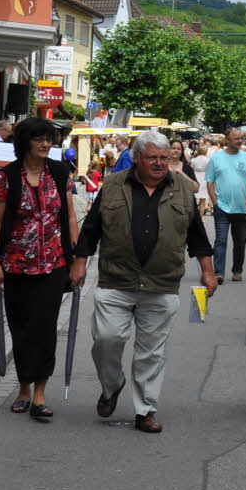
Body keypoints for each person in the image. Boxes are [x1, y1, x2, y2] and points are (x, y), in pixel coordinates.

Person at [70, 130, 216, 434]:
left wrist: (207, 269)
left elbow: (197, 234)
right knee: (106, 340)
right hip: (116, 279)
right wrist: (80, 262)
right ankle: (112, 385)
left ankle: (146, 410)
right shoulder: (112, 186)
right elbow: (91, 229)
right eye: (152, 157)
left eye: (164, 157)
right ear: (136, 158)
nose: (160, 163)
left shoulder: (183, 189)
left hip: (161, 283)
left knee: (151, 351)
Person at [0, 118, 79, 419]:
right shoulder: (7, 177)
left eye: (49, 139)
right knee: (21, 329)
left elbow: (70, 216)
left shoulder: (59, 173)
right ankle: (23, 388)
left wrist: (78, 257)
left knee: (45, 328)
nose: (46, 144)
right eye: (39, 139)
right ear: (25, 142)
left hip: (53, 264)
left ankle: (40, 393)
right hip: (17, 264)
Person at [205, 127, 246, 284]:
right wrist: (215, 202)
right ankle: (219, 272)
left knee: (240, 241)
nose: (240, 141)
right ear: (226, 140)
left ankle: (237, 270)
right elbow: (209, 181)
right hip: (222, 206)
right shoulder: (216, 158)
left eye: (241, 138)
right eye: (236, 138)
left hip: (241, 207)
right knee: (221, 240)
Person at [190, 146, 211, 216]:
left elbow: (190, 169)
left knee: (193, 199)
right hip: (204, 179)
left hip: (195, 178)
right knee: (203, 200)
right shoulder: (208, 160)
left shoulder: (193, 160)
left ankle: (193, 216)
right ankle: (201, 217)